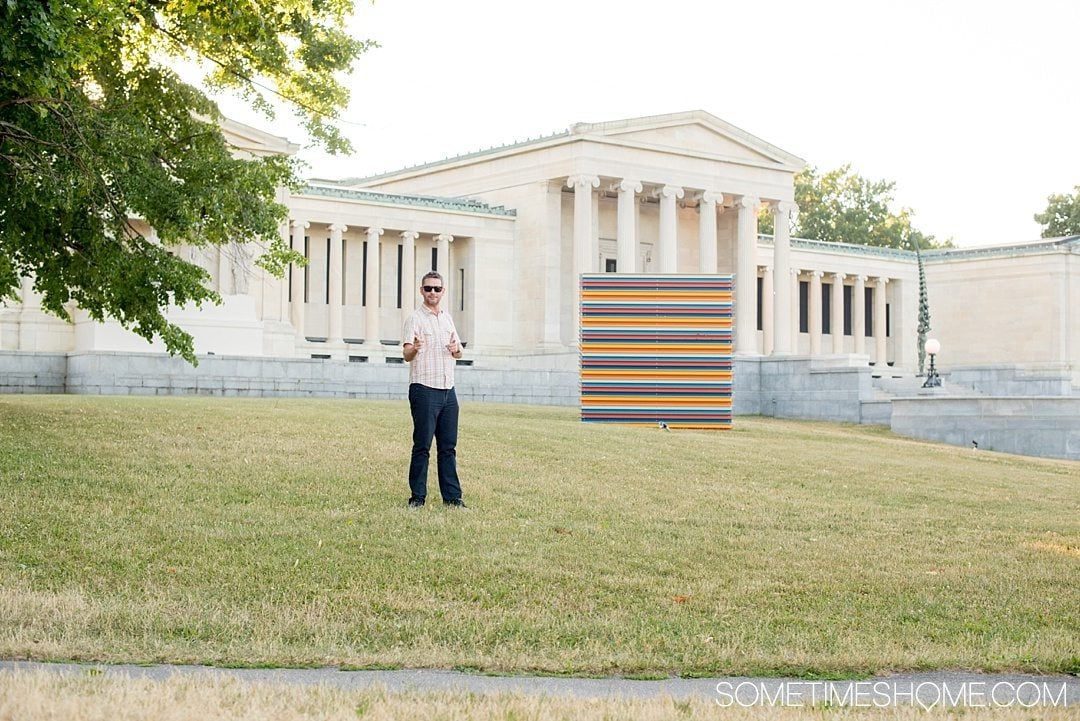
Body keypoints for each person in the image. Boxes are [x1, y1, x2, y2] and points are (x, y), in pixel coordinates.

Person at [401, 271, 466, 508]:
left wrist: (456, 349)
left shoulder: (447, 319)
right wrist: (415, 348)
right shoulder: (414, 319)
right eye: (428, 288)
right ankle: (417, 497)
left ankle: (452, 497)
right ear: (421, 291)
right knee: (422, 446)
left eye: (437, 289)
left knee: (448, 447)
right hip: (424, 388)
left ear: (443, 291)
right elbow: (406, 354)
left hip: (448, 389)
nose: (432, 293)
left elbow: (459, 352)